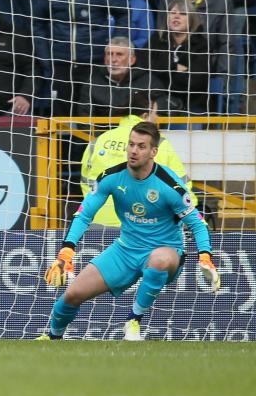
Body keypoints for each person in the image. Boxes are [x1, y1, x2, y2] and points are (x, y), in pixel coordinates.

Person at [40, 120, 219, 342]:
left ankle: (133, 320)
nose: (134, 151)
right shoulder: (111, 177)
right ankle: (52, 338)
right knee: (72, 294)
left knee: (159, 259)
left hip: (167, 251)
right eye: (131, 144)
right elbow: (84, 214)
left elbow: (198, 224)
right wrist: (66, 251)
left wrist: (205, 256)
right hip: (125, 250)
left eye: (141, 146)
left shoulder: (169, 185)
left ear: (154, 151)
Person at [80, 91, 195, 229]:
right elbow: (181, 185)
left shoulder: (99, 140)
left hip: (98, 222)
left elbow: (86, 182)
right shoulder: (158, 144)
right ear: (145, 116)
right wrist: (190, 215)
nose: (157, 118)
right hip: (142, 224)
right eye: (155, 113)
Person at [32, 0, 129, 116]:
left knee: (90, 110)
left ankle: (91, 141)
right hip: (61, 63)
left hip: (94, 63)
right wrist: (45, 56)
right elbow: (36, 23)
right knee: (61, 113)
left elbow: (124, 11)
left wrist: (116, 41)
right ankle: (64, 142)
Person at [157, 0, 231, 77]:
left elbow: (226, 43)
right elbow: (162, 37)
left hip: (208, 63)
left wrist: (223, 77)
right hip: (174, 63)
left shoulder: (222, 0)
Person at [147, 0, 212, 114]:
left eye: (182, 14)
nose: (176, 17)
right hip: (155, 101)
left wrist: (162, 73)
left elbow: (194, 82)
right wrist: (174, 67)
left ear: (191, 20)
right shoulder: (156, 40)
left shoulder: (201, 45)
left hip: (190, 105)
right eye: (172, 13)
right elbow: (144, 67)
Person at [79, 37, 162, 116]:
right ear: (105, 59)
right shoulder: (91, 84)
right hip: (103, 131)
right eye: (110, 54)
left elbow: (160, 115)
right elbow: (85, 119)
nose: (113, 59)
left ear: (132, 60)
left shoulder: (150, 83)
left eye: (119, 54)